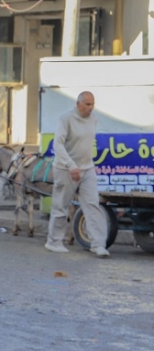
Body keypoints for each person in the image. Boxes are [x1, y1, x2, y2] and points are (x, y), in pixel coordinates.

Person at [45, 91, 109, 257]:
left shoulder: (93, 119)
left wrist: (83, 166)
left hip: (87, 169)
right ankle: (54, 241)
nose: (91, 108)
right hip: (66, 169)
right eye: (87, 104)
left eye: (93, 104)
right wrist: (71, 165)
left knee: (93, 205)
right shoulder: (66, 119)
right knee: (61, 206)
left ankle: (98, 244)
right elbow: (58, 145)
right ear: (78, 104)